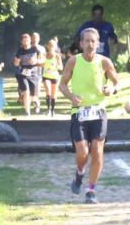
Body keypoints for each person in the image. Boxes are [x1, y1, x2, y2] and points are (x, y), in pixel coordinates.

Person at [60, 28, 120, 204]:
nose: (90, 44)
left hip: (98, 112)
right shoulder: (73, 61)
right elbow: (62, 84)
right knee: (83, 152)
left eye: (93, 41)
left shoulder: (105, 62)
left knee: (97, 151)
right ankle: (79, 173)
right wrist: (71, 97)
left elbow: (117, 83)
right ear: (81, 44)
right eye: (86, 41)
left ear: (98, 43)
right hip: (79, 112)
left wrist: (112, 89)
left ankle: (91, 191)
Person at [13, 33, 43, 117]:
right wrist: (16, 62)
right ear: (21, 42)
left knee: (33, 96)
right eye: (24, 41)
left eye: (27, 41)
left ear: (30, 41)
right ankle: (27, 112)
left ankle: (36, 103)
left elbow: (42, 60)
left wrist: (36, 61)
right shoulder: (20, 51)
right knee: (26, 91)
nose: (26, 43)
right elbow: (16, 64)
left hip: (34, 73)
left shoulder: (35, 49)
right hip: (23, 73)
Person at [42, 38, 64, 117]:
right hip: (46, 76)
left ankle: (52, 111)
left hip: (54, 76)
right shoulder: (44, 55)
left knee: (53, 94)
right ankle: (48, 109)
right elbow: (41, 63)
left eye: (53, 46)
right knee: (48, 90)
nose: (51, 47)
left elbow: (61, 67)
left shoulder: (57, 56)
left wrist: (55, 67)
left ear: (55, 47)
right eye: (50, 46)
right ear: (47, 46)